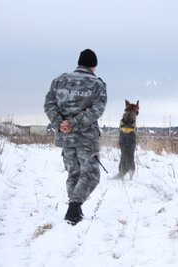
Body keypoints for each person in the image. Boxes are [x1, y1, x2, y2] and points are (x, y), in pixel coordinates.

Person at [44, 49, 107, 225]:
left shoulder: (59, 81)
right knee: (91, 174)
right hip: (86, 138)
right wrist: (74, 123)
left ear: (79, 63)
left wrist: (60, 122)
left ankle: (74, 212)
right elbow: (96, 110)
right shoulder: (97, 85)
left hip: (66, 137)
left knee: (74, 174)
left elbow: (49, 104)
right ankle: (73, 208)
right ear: (94, 65)